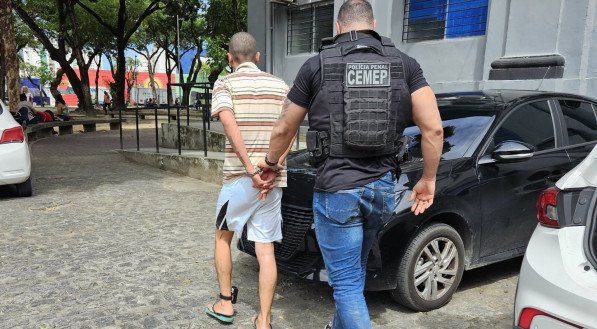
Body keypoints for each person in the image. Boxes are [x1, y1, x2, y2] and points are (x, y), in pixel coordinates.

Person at [257, 1, 444, 328]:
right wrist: (428, 179)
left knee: (344, 283)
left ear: (338, 28)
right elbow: (434, 128)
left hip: (338, 192)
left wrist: (271, 163)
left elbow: (284, 127)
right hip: (383, 190)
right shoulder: (405, 65)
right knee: (354, 272)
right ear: (373, 24)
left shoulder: (316, 65)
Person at [204, 32, 291, 329]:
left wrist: (252, 171)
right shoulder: (281, 86)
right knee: (265, 250)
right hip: (272, 182)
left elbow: (228, 123)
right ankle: (264, 321)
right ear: (257, 57)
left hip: (240, 180)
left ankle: (225, 304)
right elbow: (289, 129)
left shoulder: (224, 83)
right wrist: (273, 167)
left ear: (230, 59)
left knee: (222, 237)